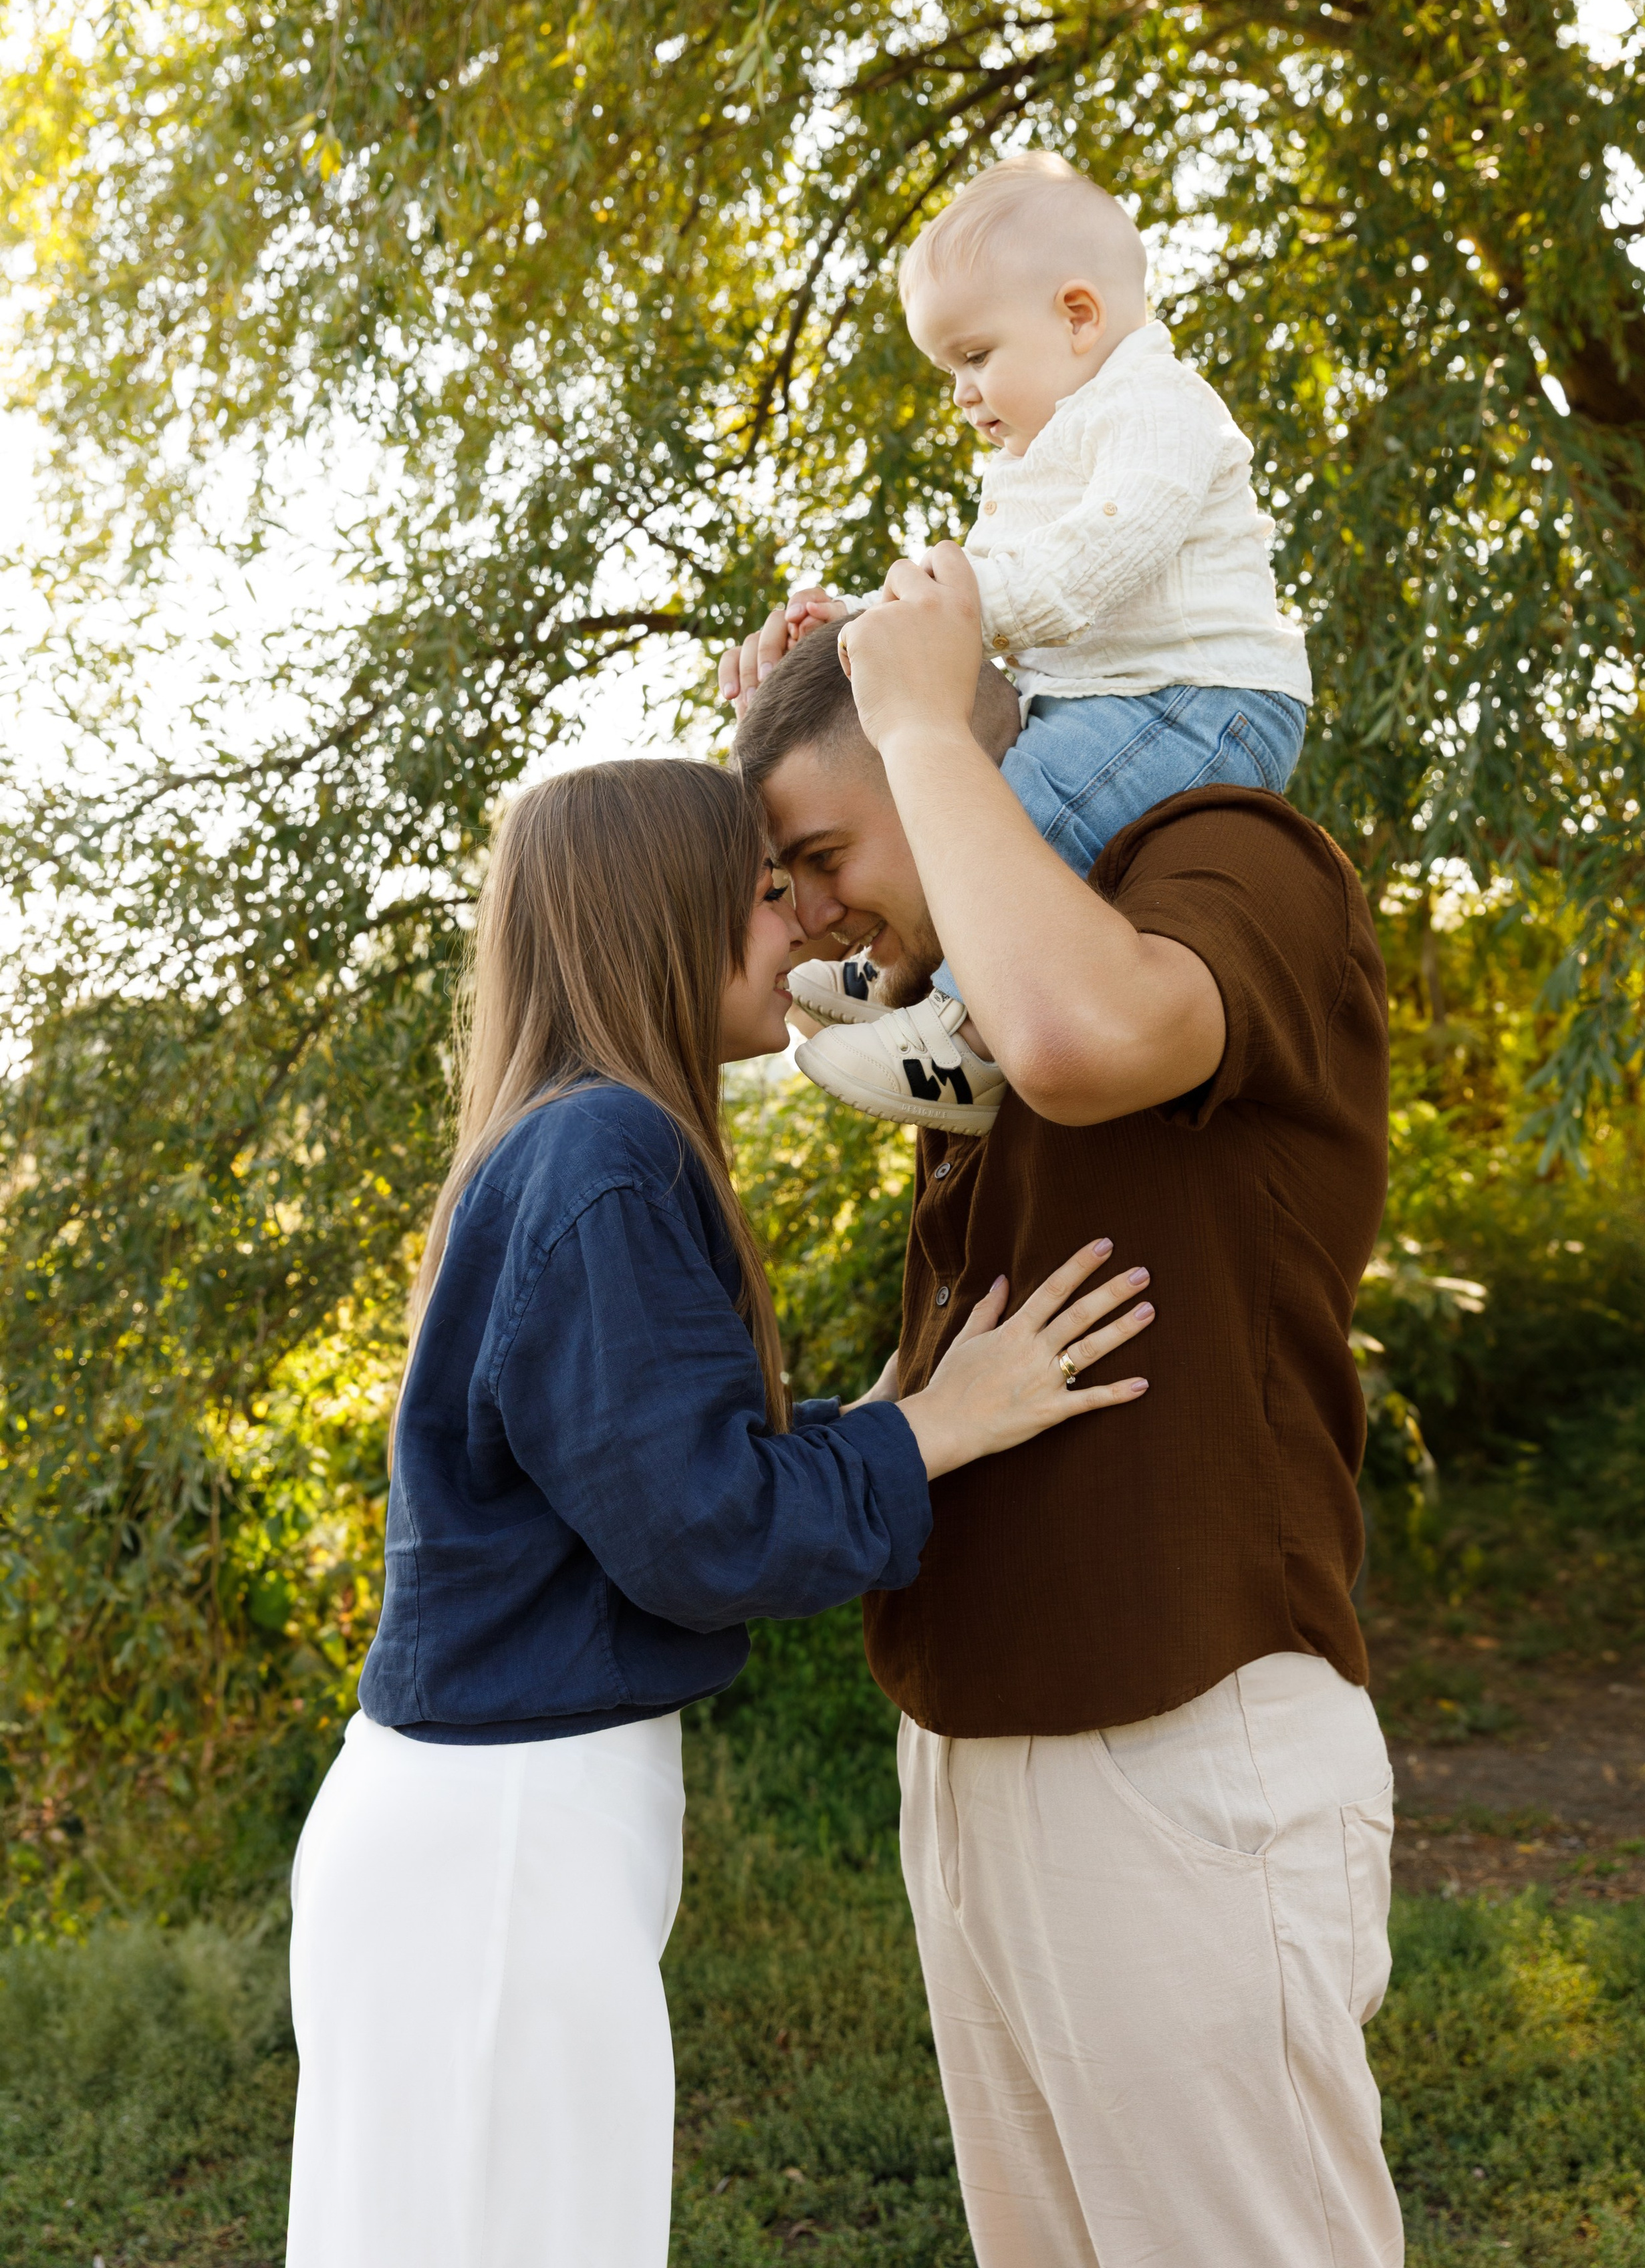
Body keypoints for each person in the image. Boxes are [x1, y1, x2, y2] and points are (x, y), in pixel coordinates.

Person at [284, 756, 1156, 2268]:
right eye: (764, 897)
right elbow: (702, 1532)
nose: (800, 936)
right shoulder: (605, 1153)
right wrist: (933, 1428)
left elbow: (645, 1471)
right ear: (661, 920)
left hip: (488, 1817)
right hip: (502, 1838)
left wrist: (896, 1423)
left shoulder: (567, 1137)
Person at [727, 563, 1404, 2268]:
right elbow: (776, 1002)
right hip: (974, 1732)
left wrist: (903, 718)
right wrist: (790, 740)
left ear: (944, 750)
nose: (809, 914)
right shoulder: (961, 976)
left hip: (1173, 1725)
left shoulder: (1215, 856)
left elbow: (1082, 1034)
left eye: (820, 862)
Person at [767, 152, 1311, 1136]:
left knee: (1013, 820)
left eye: (975, 357)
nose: (964, 393)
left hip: (1197, 699)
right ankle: (911, 972)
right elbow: (978, 594)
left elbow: (1099, 558)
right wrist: (858, 622)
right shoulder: (1037, 452)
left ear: (1078, 316)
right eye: (951, 372)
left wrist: (939, 618)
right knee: (986, 805)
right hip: (1122, 699)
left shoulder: (1155, 409)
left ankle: (965, 1046)